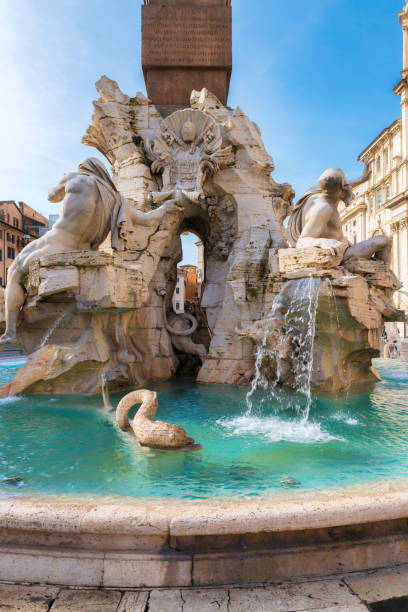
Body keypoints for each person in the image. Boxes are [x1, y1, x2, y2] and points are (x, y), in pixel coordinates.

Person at [0, 157, 181, 344]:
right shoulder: (116, 200)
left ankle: (11, 331)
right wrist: (167, 206)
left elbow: (51, 196)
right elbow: (148, 219)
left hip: (57, 242)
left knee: (14, 271)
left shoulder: (74, 178)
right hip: (83, 249)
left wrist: (64, 180)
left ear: (84, 169)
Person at [287, 164, 392, 264]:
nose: (349, 185)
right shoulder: (323, 208)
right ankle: (384, 277)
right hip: (341, 254)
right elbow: (302, 241)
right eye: (346, 181)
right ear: (342, 186)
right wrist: (323, 243)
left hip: (343, 247)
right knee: (384, 241)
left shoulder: (319, 192)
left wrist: (361, 179)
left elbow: (334, 182)